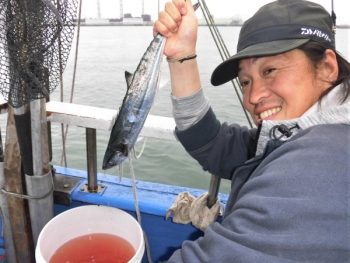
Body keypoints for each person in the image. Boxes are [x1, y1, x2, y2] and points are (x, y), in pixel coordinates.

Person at [154, 0, 350, 262]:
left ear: (327, 67)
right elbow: (212, 143)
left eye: (270, 70)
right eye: (245, 81)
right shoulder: (297, 135)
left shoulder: (321, 165)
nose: (253, 97)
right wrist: (181, 55)